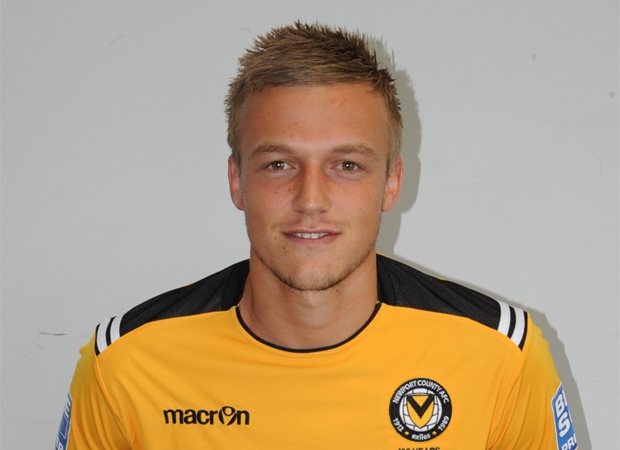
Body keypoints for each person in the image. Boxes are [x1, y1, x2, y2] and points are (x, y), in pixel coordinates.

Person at [56, 22, 578, 450]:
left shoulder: (500, 356)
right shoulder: (125, 365)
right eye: (279, 164)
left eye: (347, 165)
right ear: (237, 181)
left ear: (391, 182)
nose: (310, 199)